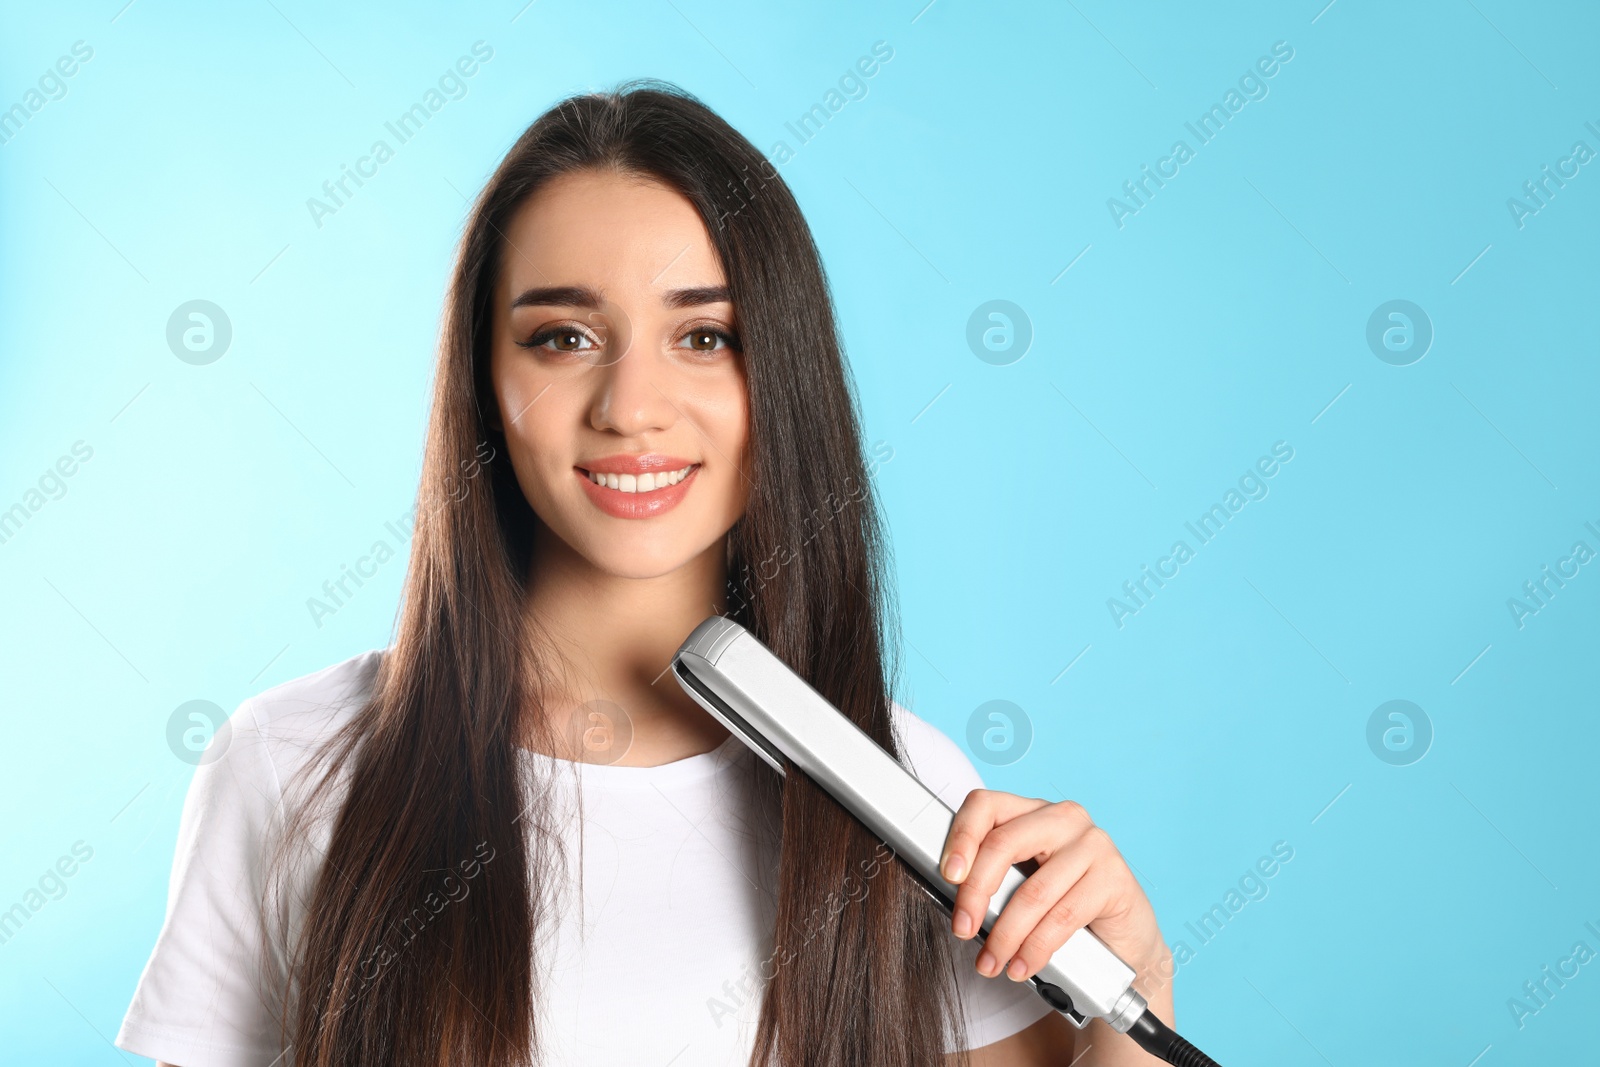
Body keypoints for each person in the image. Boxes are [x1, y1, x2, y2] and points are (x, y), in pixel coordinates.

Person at [115, 81, 1175, 1066]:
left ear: (782, 378)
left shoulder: (908, 792)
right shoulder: (290, 765)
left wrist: (1140, 992)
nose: (630, 404)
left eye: (704, 335)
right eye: (564, 336)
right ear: (484, 381)